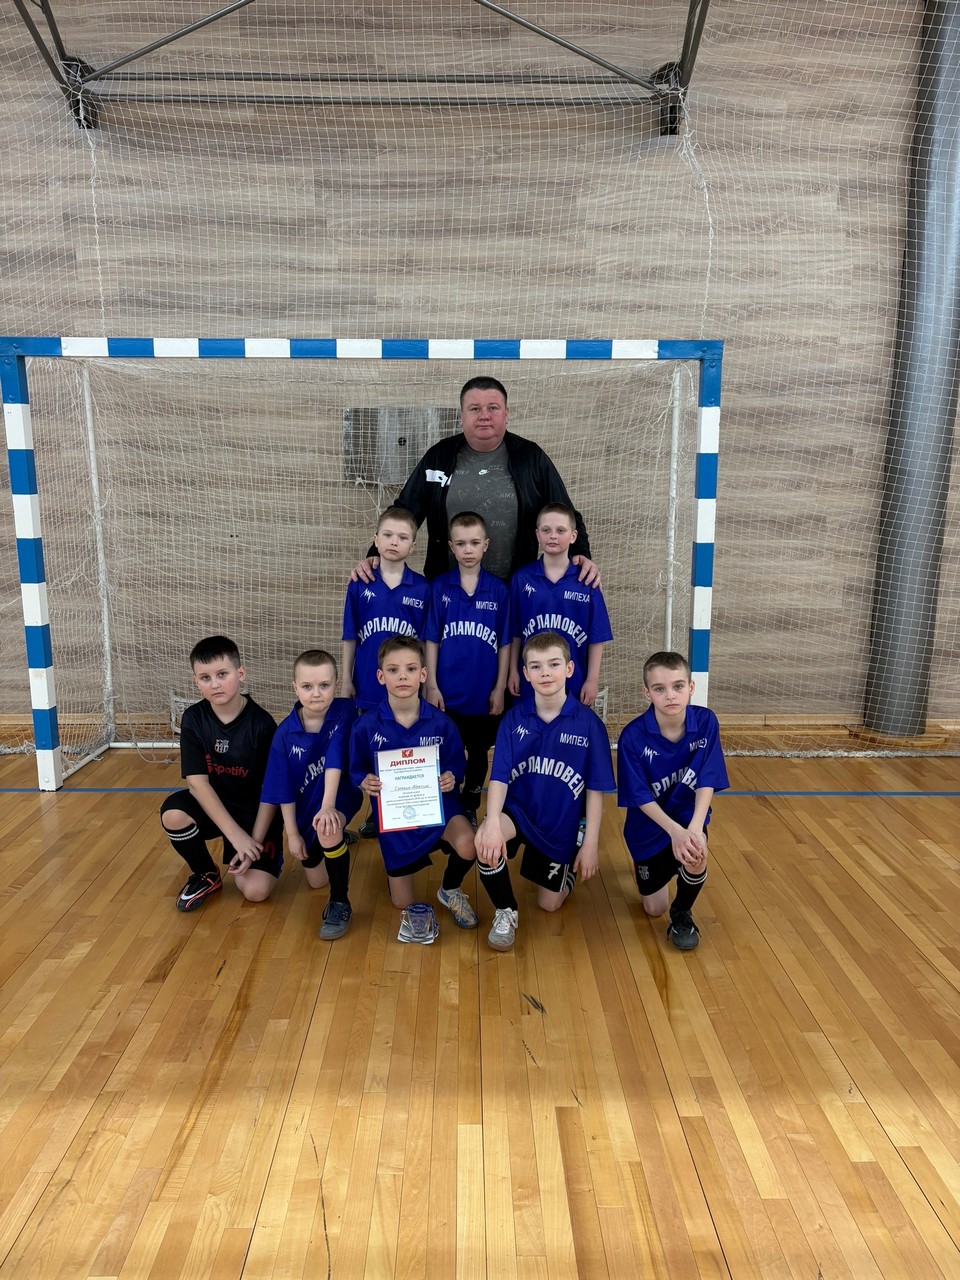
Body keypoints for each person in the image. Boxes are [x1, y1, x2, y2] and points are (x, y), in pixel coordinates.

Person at [351, 377, 600, 585]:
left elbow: (564, 513)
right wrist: (376, 554)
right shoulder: (439, 456)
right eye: (475, 409)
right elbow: (404, 511)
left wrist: (581, 554)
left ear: (506, 414)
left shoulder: (531, 458)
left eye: (492, 408)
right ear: (462, 416)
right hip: (448, 591)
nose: (484, 416)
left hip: (513, 590)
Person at [474, 631, 615, 952]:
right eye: (536, 666)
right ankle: (506, 911)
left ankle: (568, 864)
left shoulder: (589, 725)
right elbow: (499, 778)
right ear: (525, 673)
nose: (545, 673)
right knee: (484, 841)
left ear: (569, 668)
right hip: (520, 812)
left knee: (549, 904)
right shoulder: (513, 719)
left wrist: (590, 843)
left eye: (553, 664)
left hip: (561, 823)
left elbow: (595, 790)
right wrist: (492, 821)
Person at [349, 635, 481, 941]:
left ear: (423, 674)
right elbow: (356, 769)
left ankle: (449, 888)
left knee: (469, 844)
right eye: (393, 670)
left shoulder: (441, 723)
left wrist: (451, 777)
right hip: (397, 819)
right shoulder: (366, 726)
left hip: (438, 808)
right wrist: (364, 780)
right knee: (402, 903)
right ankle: (398, 871)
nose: (402, 676)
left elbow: (456, 765)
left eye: (410, 669)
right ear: (380, 676)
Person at [160, 635, 282, 911]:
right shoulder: (193, 719)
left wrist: (252, 841)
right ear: (196, 682)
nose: (214, 684)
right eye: (205, 678)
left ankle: (261, 856)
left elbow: (271, 792)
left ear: (240, 673)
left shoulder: (262, 724)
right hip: (217, 807)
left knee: (255, 891)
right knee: (173, 813)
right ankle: (206, 872)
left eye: (222, 674)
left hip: (254, 814)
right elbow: (197, 784)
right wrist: (235, 836)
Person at [617, 651, 730, 951]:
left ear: (691, 687)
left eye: (678, 686)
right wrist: (674, 832)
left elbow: (707, 779)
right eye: (659, 688)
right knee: (654, 908)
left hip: (686, 817)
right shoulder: (632, 737)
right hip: (649, 827)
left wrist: (694, 829)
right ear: (647, 693)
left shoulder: (706, 722)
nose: (670, 695)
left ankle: (682, 913)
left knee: (697, 853)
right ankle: (651, 867)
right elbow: (640, 796)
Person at [259, 650, 362, 940]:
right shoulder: (284, 734)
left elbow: (335, 759)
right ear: (295, 688)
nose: (316, 694)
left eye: (324, 685)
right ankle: (335, 839)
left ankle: (340, 901)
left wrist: (329, 807)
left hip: (339, 796)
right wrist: (292, 834)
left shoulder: (345, 711)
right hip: (305, 811)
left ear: (336, 684)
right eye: (307, 686)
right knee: (316, 881)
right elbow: (282, 790)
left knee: (328, 827)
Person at [423, 511, 511, 820]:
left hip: (482, 693)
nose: (468, 550)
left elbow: (505, 643)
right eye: (461, 544)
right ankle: (446, 807)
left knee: (478, 751)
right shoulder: (440, 587)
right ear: (451, 547)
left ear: (486, 545)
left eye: (474, 543)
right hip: (446, 693)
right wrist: (431, 685)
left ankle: (471, 805)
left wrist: (500, 687)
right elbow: (431, 639)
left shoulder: (498, 590)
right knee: (446, 750)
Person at [508, 502, 612, 708]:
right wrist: (513, 670)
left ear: (573, 536)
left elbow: (596, 637)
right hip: (531, 681)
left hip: (574, 682)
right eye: (546, 530)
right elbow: (515, 633)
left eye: (560, 531)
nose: (553, 536)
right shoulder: (521, 579)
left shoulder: (587, 581)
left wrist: (592, 680)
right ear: (537, 534)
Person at [341, 506, 430, 711]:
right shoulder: (359, 583)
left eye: (402, 537)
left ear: (412, 546)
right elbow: (350, 635)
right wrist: (346, 678)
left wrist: (426, 683)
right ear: (376, 540)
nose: (394, 542)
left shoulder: (423, 588)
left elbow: (425, 642)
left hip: (407, 688)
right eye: (387, 535)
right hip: (367, 685)